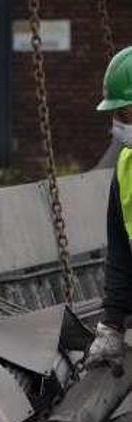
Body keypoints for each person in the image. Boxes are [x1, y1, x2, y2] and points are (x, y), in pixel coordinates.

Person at [88, 46, 132, 372]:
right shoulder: (126, 166)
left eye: (126, 114)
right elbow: (120, 252)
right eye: (117, 115)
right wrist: (111, 324)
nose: (118, 124)